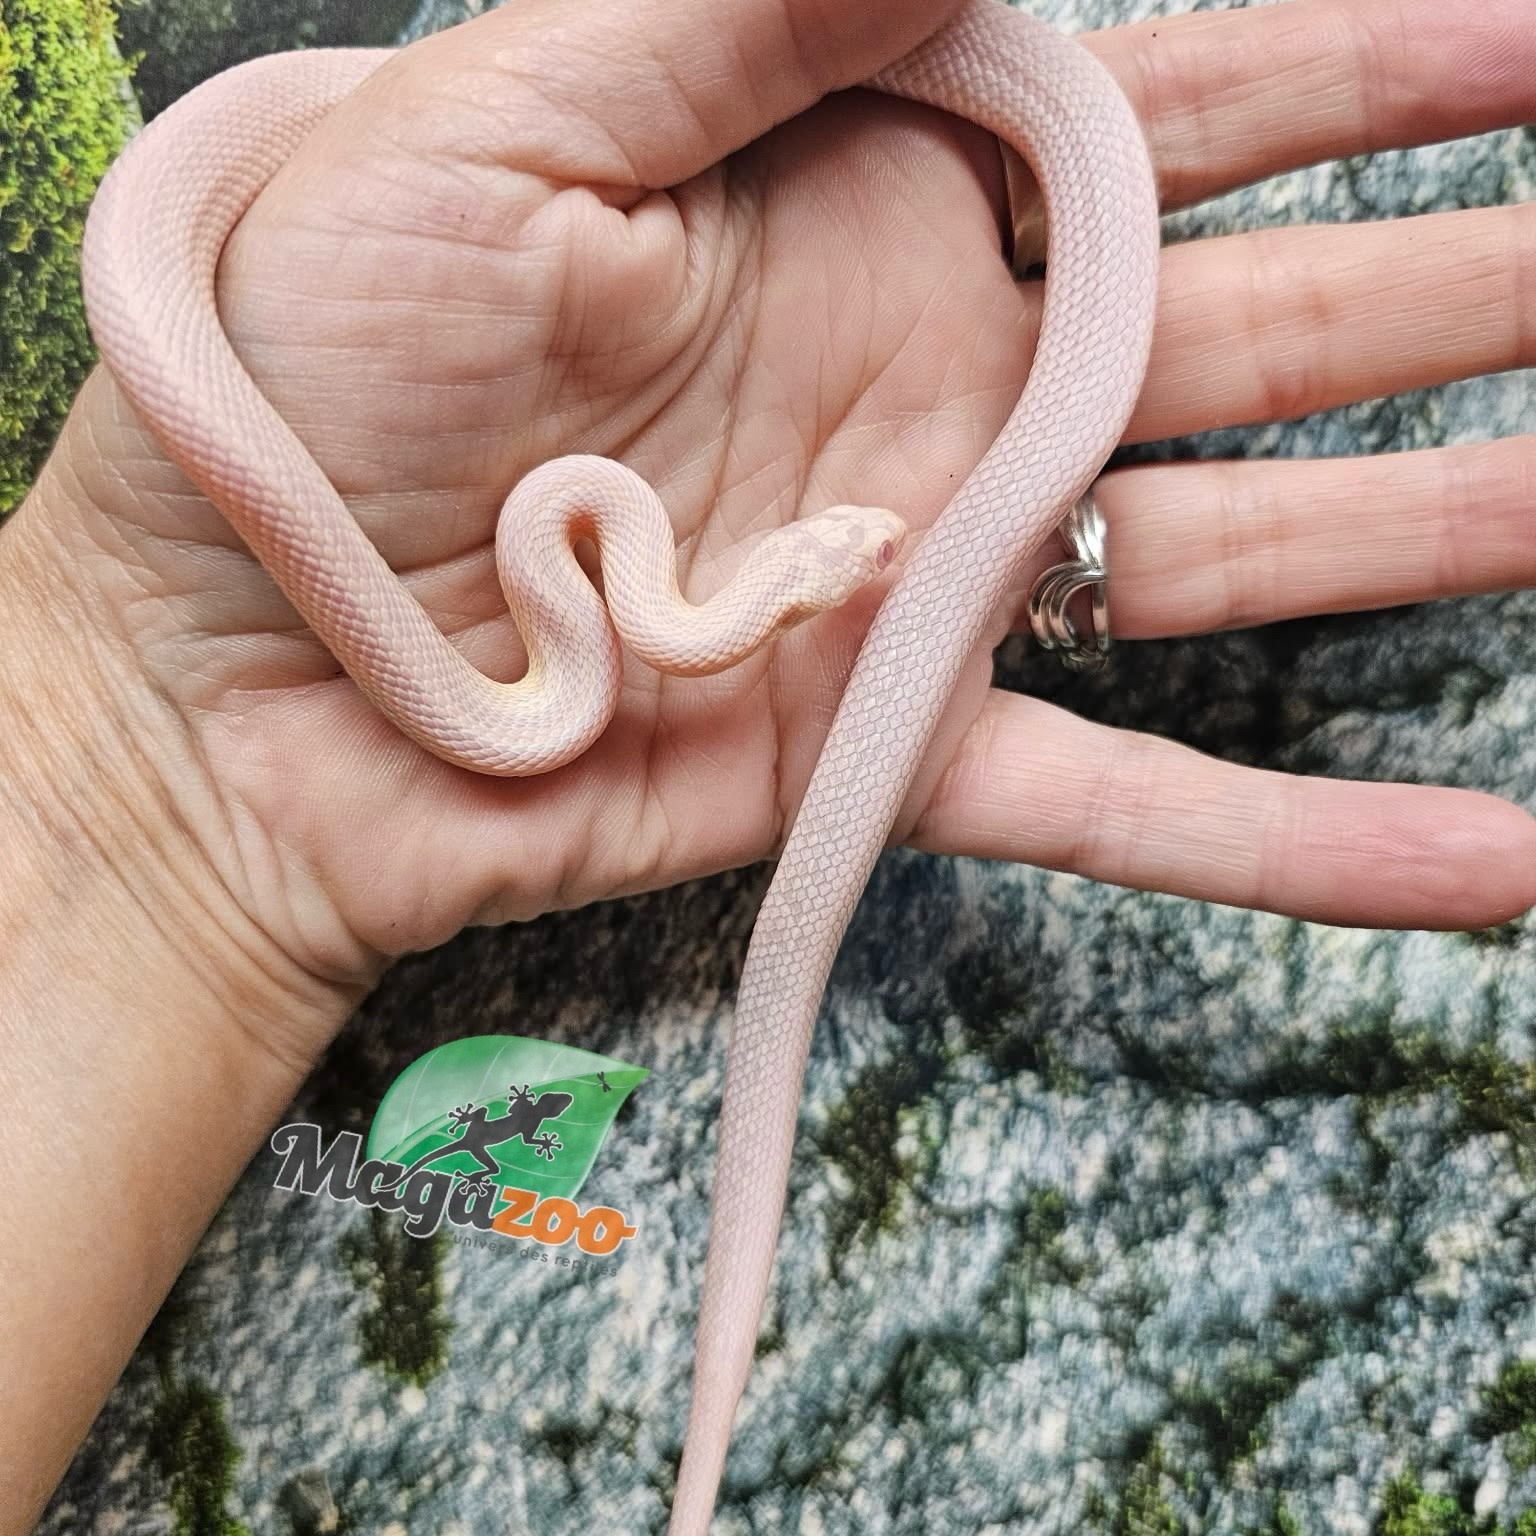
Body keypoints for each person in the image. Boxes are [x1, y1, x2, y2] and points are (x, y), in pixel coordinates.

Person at [1, 0, 1532, 1524]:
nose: (881, 545)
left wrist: (141, 748)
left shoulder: (584, 558)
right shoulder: (575, 565)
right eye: (854, 554)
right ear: (764, 592)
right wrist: (140, 714)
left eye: (855, 556)